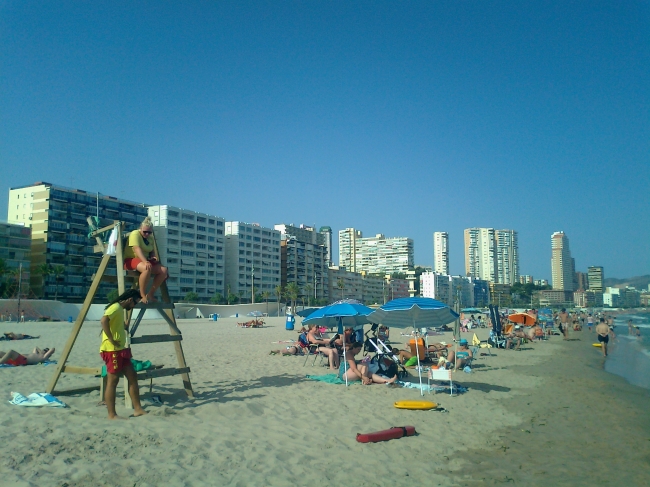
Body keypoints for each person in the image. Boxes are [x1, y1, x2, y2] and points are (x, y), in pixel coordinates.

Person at [100, 289, 147, 419]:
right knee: (113, 380)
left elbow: (115, 324)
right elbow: (104, 321)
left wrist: (124, 326)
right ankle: (112, 414)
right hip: (111, 349)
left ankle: (138, 408)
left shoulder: (120, 310)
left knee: (132, 375)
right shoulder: (115, 307)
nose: (134, 306)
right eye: (135, 303)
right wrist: (110, 338)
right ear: (130, 300)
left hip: (121, 348)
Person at [123, 217, 168, 304]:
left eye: (149, 232)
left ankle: (150, 294)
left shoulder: (150, 238)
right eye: (145, 232)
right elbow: (136, 248)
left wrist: (153, 256)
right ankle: (142, 294)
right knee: (146, 267)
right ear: (140, 228)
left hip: (145, 260)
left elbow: (152, 251)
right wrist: (145, 261)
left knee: (164, 270)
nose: (147, 234)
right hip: (131, 260)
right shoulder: (135, 234)